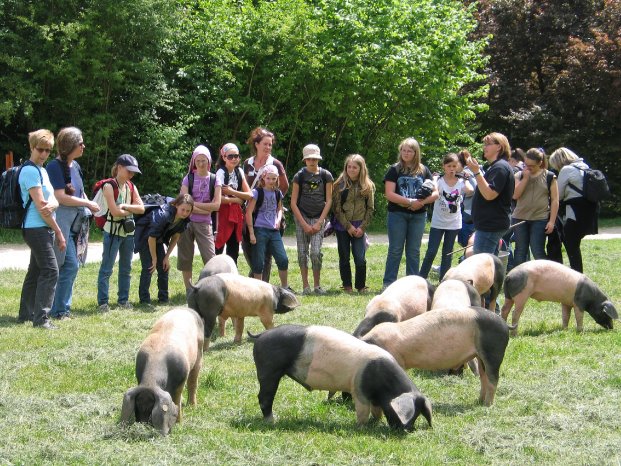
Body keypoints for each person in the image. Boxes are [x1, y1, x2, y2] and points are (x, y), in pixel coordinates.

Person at [46, 127, 100, 320]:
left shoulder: (75, 166)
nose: (83, 146)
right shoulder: (53, 167)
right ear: (70, 146)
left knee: (69, 265)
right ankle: (59, 310)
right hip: (61, 223)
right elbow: (60, 197)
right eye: (80, 143)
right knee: (67, 265)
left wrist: (89, 205)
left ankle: (57, 308)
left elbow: (79, 192)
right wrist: (86, 202)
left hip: (76, 223)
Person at [18, 129, 66, 329]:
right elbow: (42, 209)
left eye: (48, 150)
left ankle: (26, 313)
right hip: (36, 228)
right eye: (40, 150)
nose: (44, 154)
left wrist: (54, 204)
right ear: (31, 147)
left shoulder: (43, 171)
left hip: (41, 227)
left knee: (36, 271)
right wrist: (59, 232)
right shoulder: (29, 171)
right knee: (51, 270)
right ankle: (41, 319)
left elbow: (52, 200)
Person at [382, 137, 438, 288]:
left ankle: (412, 285)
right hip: (397, 214)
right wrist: (410, 202)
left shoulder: (424, 170)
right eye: (403, 150)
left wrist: (421, 203)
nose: (406, 153)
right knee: (395, 250)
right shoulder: (394, 169)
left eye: (410, 151)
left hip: (418, 216)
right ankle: (388, 283)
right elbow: (389, 194)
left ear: (416, 152)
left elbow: (435, 193)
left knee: (414, 251)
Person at [96, 154, 145, 312]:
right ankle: (103, 302)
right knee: (107, 268)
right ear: (119, 167)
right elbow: (115, 212)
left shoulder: (131, 186)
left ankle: (123, 300)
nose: (131, 174)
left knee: (126, 268)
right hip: (113, 232)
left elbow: (142, 208)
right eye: (129, 170)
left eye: (133, 172)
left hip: (128, 233)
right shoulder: (109, 186)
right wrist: (129, 209)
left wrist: (125, 206)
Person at [241, 127, 289, 282]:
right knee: (248, 248)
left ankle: (263, 286)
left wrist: (270, 200)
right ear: (256, 144)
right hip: (249, 213)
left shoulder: (275, 163)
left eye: (270, 144)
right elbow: (242, 185)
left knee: (266, 255)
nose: (268, 147)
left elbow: (284, 186)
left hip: (268, 217)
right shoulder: (247, 164)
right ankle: (254, 279)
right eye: (265, 144)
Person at [419, 153, 473, 280]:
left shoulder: (460, 181)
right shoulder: (439, 181)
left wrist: (466, 179)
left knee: (447, 253)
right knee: (431, 251)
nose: (452, 169)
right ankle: (421, 278)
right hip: (438, 222)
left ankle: (444, 280)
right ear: (444, 166)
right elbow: (433, 190)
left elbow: (470, 190)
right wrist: (434, 179)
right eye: (449, 166)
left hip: (454, 223)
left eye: (454, 166)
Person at [290, 144, 334, 295]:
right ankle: (305, 286)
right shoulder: (299, 176)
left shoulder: (326, 175)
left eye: (314, 158)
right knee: (302, 253)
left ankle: (317, 285)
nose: (312, 161)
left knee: (315, 252)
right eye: (309, 158)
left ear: (318, 159)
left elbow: (329, 200)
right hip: (301, 218)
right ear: (305, 160)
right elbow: (293, 202)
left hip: (318, 218)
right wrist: (303, 223)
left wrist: (320, 221)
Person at [135, 194, 194, 305]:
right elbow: (151, 238)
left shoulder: (183, 219)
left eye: (188, 211)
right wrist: (154, 258)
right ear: (176, 205)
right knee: (149, 267)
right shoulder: (163, 214)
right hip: (145, 237)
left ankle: (163, 298)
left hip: (157, 239)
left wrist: (166, 257)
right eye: (183, 210)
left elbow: (176, 236)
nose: (185, 213)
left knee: (164, 267)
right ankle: (144, 300)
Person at [177, 145, 222, 291]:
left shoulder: (215, 179)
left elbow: (217, 205)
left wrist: (193, 205)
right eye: (198, 160)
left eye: (204, 160)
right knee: (185, 257)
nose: (201, 163)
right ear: (194, 161)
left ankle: (212, 288)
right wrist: (203, 207)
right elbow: (182, 202)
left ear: (208, 161)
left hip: (204, 224)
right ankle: (189, 289)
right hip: (186, 222)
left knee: (210, 258)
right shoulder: (188, 179)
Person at [548, 147, 598, 273]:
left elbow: (558, 194)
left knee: (570, 244)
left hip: (575, 211)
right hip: (590, 209)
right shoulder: (584, 166)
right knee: (574, 243)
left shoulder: (566, 169)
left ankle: (577, 275)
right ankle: (577, 273)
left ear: (559, 161)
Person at [331, 154, 375, 293]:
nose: (351, 169)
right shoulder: (339, 185)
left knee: (360, 258)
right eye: (349, 167)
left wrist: (362, 227)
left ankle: (361, 286)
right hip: (343, 226)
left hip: (359, 225)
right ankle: (347, 285)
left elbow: (370, 208)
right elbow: (336, 209)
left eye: (354, 167)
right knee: (344, 256)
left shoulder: (367, 186)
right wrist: (348, 226)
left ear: (361, 169)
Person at [465, 132, 515, 255]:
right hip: (490, 224)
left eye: (488, 144)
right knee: (490, 264)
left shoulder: (500, 168)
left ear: (499, 147)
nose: (484, 147)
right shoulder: (496, 167)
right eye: (484, 144)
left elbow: (489, 194)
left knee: (482, 265)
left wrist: (476, 172)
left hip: (491, 225)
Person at [245, 165, 291, 289]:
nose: (271, 181)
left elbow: (279, 209)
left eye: (274, 178)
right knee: (259, 262)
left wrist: (278, 220)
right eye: (269, 178)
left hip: (274, 231)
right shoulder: (257, 192)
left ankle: (285, 287)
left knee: (283, 259)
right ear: (263, 178)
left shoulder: (277, 193)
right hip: (259, 230)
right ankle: (259, 288)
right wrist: (251, 233)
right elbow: (248, 212)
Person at [511, 148, 559, 266]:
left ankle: (544, 278)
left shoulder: (550, 177)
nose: (528, 168)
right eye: (526, 165)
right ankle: (518, 280)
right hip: (520, 218)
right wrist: (526, 178)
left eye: (531, 165)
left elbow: (555, 200)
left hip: (539, 218)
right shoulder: (519, 175)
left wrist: (552, 221)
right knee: (520, 251)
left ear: (540, 163)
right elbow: (515, 195)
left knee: (537, 250)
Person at [214, 143, 252, 264]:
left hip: (235, 215)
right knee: (218, 248)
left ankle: (231, 277)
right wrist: (236, 199)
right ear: (224, 157)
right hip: (222, 215)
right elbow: (217, 198)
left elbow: (250, 195)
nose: (234, 159)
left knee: (233, 249)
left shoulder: (239, 171)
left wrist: (231, 192)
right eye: (230, 156)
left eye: (236, 156)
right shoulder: (220, 173)